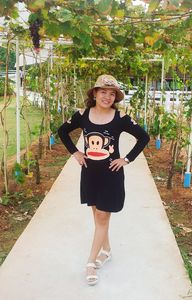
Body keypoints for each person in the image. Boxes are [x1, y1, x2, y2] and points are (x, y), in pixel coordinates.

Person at [57, 74, 150, 286]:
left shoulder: (121, 118)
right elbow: (62, 131)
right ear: (95, 94)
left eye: (111, 93)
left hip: (111, 174)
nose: (107, 97)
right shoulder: (82, 115)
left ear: (115, 97)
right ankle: (106, 250)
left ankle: (90, 262)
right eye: (103, 92)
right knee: (98, 215)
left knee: (101, 216)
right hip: (89, 173)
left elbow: (144, 137)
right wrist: (75, 152)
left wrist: (126, 159)